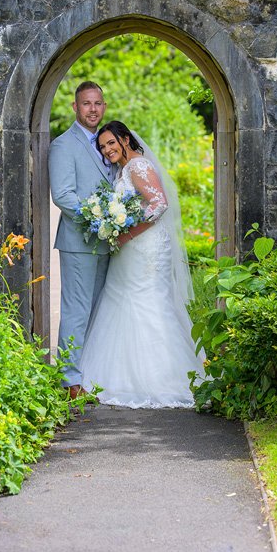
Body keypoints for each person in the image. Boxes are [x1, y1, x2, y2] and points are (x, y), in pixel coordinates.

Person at [80, 120, 203, 408]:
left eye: (111, 142)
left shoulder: (138, 166)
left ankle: (163, 379)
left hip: (145, 248)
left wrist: (126, 232)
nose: (107, 149)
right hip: (129, 249)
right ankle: (116, 377)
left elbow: (159, 204)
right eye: (102, 147)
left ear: (125, 138)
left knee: (149, 304)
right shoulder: (124, 169)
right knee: (120, 301)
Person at [48, 81, 114, 399]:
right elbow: (63, 195)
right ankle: (69, 382)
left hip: (106, 242)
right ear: (75, 107)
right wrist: (100, 220)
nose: (92, 109)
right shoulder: (64, 144)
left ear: (104, 107)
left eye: (97, 103)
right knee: (76, 310)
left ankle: (88, 372)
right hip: (78, 240)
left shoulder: (106, 143)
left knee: (98, 309)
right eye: (86, 103)